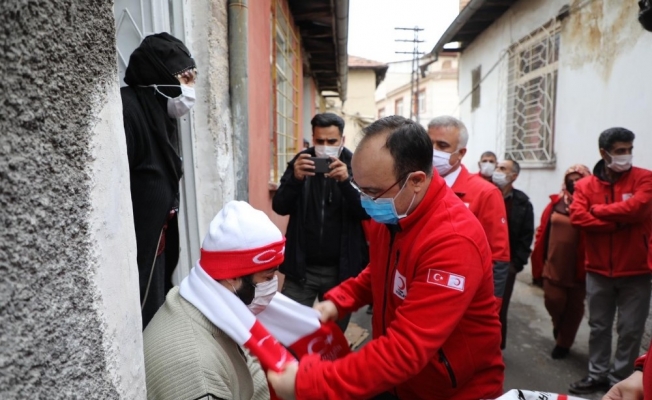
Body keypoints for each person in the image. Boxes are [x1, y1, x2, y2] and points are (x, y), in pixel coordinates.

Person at [267, 116, 504, 400]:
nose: (365, 200)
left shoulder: (452, 240)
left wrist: (309, 383)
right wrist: (338, 301)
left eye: (372, 192)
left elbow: (405, 348)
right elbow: (379, 271)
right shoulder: (396, 211)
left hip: (452, 391)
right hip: (400, 382)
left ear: (416, 181)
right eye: (359, 188)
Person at [143, 201, 284, 400]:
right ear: (232, 276)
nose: (274, 286)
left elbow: (248, 369)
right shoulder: (199, 375)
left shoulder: (207, 305)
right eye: (268, 277)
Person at [121, 33, 198, 328]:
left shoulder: (161, 114)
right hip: (134, 258)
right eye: (185, 79)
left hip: (157, 249)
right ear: (159, 75)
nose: (190, 89)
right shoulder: (128, 112)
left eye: (193, 79)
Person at [568, 127, 652, 395]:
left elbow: (638, 209)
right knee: (599, 327)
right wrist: (616, 224)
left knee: (630, 330)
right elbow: (577, 217)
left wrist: (599, 211)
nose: (626, 155)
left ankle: (621, 379)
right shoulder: (585, 185)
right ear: (604, 153)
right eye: (619, 151)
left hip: (636, 271)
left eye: (629, 149)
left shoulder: (644, 178)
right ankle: (597, 375)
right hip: (597, 270)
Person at [272, 113, 369, 332]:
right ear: (312, 138)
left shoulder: (356, 166)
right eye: (320, 141)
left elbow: (366, 212)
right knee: (290, 330)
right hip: (301, 269)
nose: (325, 147)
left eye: (332, 141)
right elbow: (280, 206)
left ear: (342, 140)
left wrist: (346, 182)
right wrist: (296, 179)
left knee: (332, 334)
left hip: (341, 271)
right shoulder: (301, 162)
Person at [427, 116, 510, 309]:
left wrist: (492, 305)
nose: (433, 151)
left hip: (463, 297)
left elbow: (498, 255)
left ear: (461, 153)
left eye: (442, 145)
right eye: (429, 144)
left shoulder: (486, 193)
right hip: (422, 287)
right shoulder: (415, 185)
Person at [531, 164, 591, 359]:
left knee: (574, 308)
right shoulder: (555, 203)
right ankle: (558, 325)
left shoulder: (592, 205)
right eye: (570, 180)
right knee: (553, 301)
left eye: (579, 179)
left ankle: (564, 343)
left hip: (579, 268)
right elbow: (542, 230)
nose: (574, 183)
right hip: (554, 265)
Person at [493, 159, 535, 350]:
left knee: (499, 308)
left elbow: (527, 235)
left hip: (506, 265)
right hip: (482, 260)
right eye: (497, 167)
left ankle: (495, 348)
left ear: (514, 176)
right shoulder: (486, 193)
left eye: (502, 168)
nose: (497, 170)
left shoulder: (522, 202)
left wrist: (516, 264)